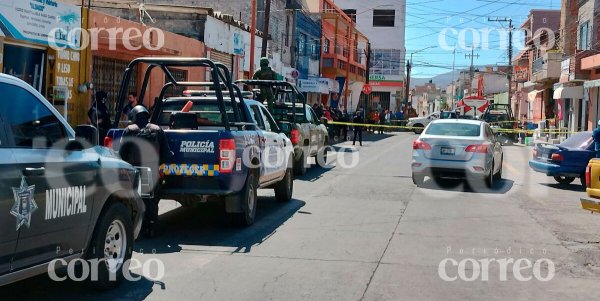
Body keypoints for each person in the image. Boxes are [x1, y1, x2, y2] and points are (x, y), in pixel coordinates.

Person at [119, 105, 172, 237]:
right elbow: (166, 154)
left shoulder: (129, 130)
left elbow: (121, 155)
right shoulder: (157, 130)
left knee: (131, 201)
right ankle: (152, 227)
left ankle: (137, 228)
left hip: (133, 174)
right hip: (152, 174)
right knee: (152, 201)